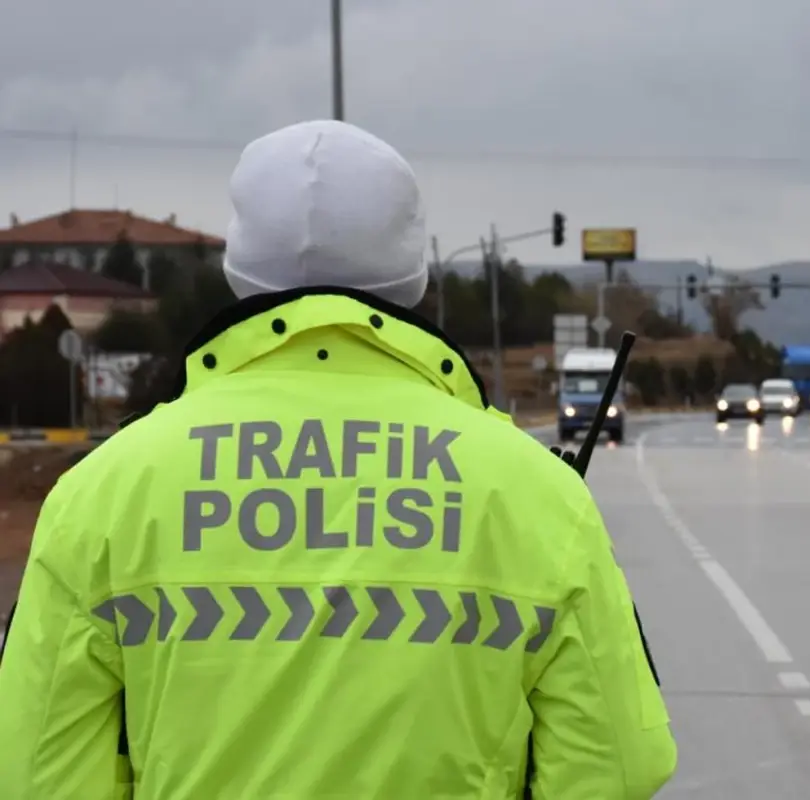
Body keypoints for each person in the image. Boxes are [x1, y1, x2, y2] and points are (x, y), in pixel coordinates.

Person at [0, 119, 677, 798]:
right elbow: (618, 766)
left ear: (238, 269)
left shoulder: (102, 494)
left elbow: (35, 776)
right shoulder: (536, 494)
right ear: (414, 272)